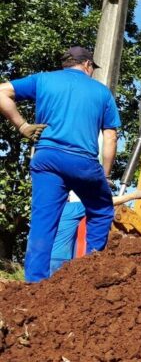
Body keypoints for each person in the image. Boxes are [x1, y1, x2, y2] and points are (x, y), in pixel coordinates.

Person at [0, 46, 121, 283]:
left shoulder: (43, 80)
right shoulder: (102, 92)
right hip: (83, 161)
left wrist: (22, 126)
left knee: (43, 221)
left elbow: (1, 92)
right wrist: (105, 176)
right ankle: (88, 276)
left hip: (47, 159)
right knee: (102, 210)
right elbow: (111, 137)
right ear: (87, 65)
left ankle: (34, 284)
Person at [51, 188, 141, 276]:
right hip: (59, 260)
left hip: (43, 258)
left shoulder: (45, 212)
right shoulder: (70, 209)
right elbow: (102, 203)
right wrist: (133, 195)